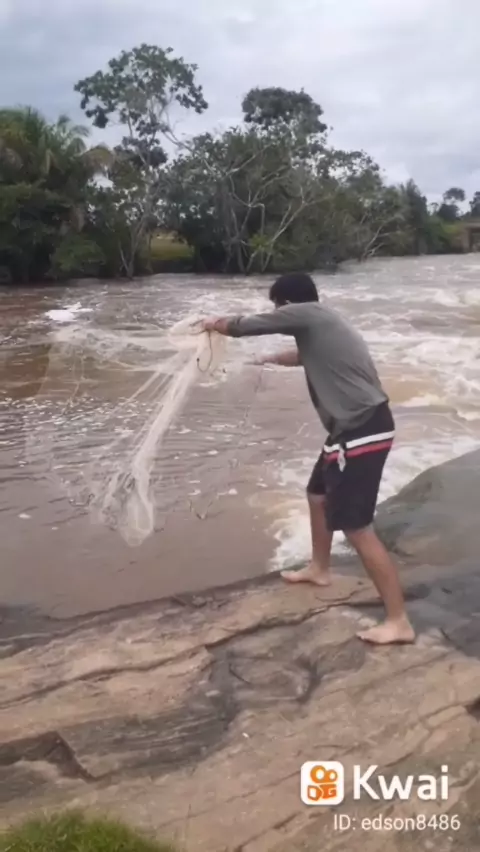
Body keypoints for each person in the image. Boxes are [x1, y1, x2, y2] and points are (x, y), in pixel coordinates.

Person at [201, 272, 415, 646]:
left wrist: (213, 323)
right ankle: (319, 568)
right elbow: (305, 356)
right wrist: (271, 359)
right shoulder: (323, 324)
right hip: (351, 429)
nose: (278, 312)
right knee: (317, 495)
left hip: (362, 430)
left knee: (357, 527)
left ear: (288, 304)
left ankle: (398, 621)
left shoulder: (309, 314)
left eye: (278, 307)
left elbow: (247, 325)